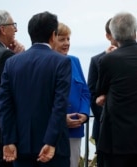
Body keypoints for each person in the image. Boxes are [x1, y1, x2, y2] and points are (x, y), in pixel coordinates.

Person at [0, 11, 71, 167]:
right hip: (53, 149)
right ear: (53, 35)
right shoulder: (61, 62)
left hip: (20, 146)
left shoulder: (12, 63)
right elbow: (60, 105)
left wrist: (9, 140)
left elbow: (4, 105)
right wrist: (50, 141)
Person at [95, 12, 137, 167]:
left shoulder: (108, 59)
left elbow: (100, 90)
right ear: (135, 32)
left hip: (117, 138)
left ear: (113, 34)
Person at [53, 22, 90, 167]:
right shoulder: (46, 63)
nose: (66, 43)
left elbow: (85, 92)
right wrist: (61, 119)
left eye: (68, 39)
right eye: (62, 39)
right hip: (52, 131)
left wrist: (84, 113)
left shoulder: (74, 61)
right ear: (52, 39)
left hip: (75, 129)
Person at [0, 10, 24, 167]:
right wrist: (18, 58)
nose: (16, 30)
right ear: (2, 29)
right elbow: (17, 92)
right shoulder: (6, 56)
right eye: (13, 25)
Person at [87, 18, 117, 167]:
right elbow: (92, 95)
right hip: (103, 126)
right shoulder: (96, 60)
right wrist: (104, 119)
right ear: (108, 36)